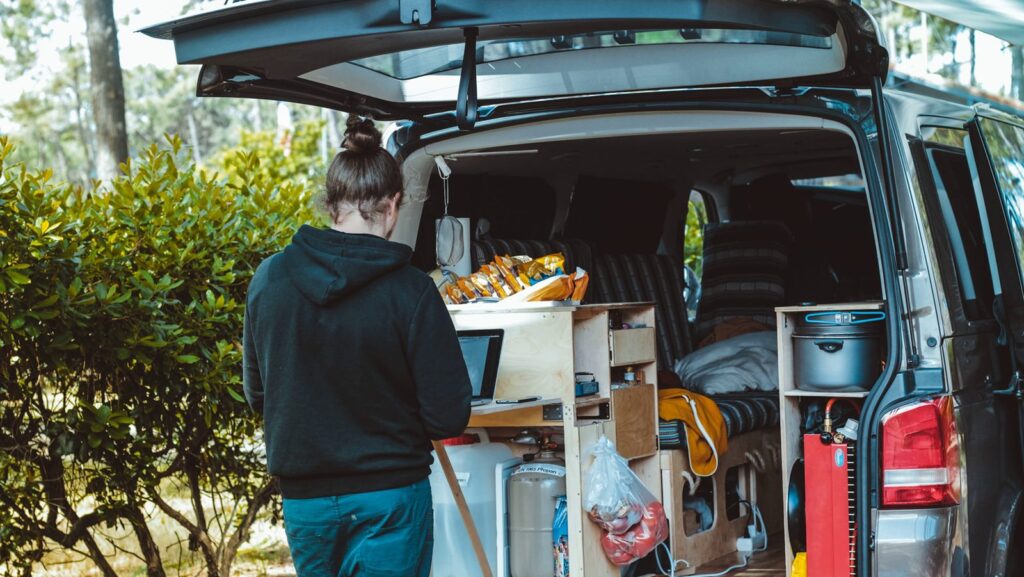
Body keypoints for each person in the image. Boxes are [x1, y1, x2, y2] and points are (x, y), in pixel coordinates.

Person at [242, 115, 472, 577]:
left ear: (331, 206)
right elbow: (447, 416)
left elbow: (258, 394)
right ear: (393, 205)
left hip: (306, 502)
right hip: (389, 497)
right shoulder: (411, 291)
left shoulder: (269, 279)